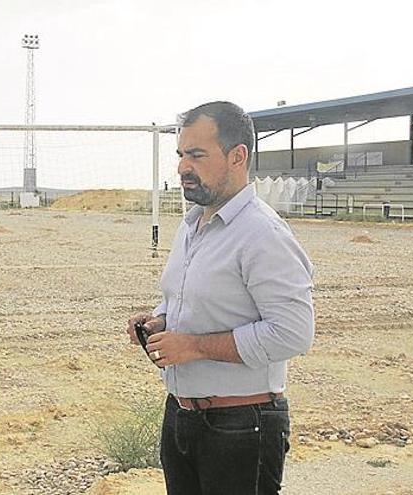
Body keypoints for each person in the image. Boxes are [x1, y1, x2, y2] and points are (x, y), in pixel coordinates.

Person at [127, 102, 314, 494]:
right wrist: (162, 320)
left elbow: (293, 333)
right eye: (181, 155)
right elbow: (191, 300)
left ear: (237, 156)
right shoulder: (193, 225)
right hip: (181, 417)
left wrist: (193, 346)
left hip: (242, 426)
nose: (182, 167)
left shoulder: (263, 234)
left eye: (196, 155)